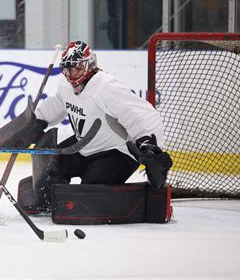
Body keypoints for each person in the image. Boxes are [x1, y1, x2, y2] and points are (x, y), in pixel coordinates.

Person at [21, 41, 172, 213]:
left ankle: (138, 203)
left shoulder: (106, 87)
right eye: (67, 68)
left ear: (89, 65)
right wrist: (36, 121)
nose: (71, 74)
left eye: (76, 68)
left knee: (90, 194)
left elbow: (141, 114)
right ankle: (50, 203)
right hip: (85, 144)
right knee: (51, 165)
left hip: (117, 153)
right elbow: (57, 104)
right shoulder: (66, 84)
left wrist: (149, 146)